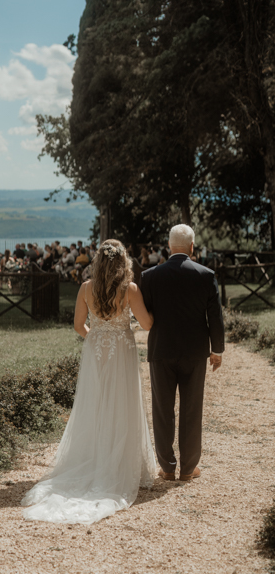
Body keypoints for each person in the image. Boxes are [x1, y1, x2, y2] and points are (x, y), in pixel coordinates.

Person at [22, 240, 156, 525]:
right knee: (122, 403)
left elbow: (78, 325)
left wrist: (96, 337)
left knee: (94, 404)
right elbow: (147, 325)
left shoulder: (85, 288)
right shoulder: (129, 290)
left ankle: (94, 456)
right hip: (121, 353)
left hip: (96, 353)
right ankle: (119, 463)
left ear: (98, 262)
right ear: (123, 263)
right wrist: (121, 331)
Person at [140, 224, 224, 482]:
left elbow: (144, 314)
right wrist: (217, 350)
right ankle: (188, 469)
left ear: (168, 245)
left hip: (161, 350)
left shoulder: (150, 276)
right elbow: (215, 317)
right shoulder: (206, 274)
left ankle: (167, 468)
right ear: (191, 247)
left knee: (163, 410)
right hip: (195, 351)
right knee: (191, 409)